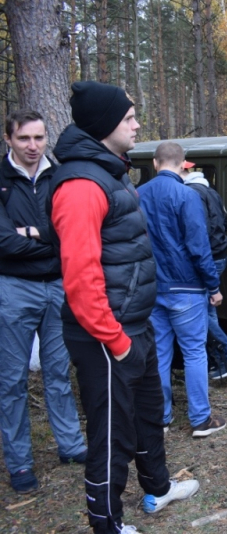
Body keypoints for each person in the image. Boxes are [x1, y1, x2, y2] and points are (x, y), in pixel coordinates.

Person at [49, 81, 199, 534]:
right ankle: (105, 523)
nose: (137, 124)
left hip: (136, 323)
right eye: (129, 117)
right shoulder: (80, 184)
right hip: (104, 334)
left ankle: (157, 486)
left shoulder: (111, 173)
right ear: (104, 124)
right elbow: (81, 280)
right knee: (112, 431)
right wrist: (115, 341)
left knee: (149, 412)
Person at [0, 109, 87, 494]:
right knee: (12, 381)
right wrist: (48, 239)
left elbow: (71, 230)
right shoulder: (1, 179)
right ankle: (19, 464)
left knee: (58, 373)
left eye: (39, 138)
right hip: (14, 287)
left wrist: (34, 233)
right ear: (8, 139)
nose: (33, 146)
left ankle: (70, 445)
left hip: (58, 285)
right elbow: (3, 241)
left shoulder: (59, 174)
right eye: (24, 139)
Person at [137, 142, 227, 438]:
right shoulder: (187, 196)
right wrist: (213, 286)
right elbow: (199, 248)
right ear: (184, 164)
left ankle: (161, 418)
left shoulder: (138, 195)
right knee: (194, 352)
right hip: (187, 288)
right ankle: (200, 419)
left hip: (153, 287)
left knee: (160, 354)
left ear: (154, 162)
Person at [181, 161, 227, 380]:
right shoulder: (210, 191)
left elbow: (199, 232)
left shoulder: (191, 194)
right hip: (220, 256)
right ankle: (220, 363)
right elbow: (224, 223)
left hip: (208, 258)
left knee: (200, 313)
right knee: (209, 311)